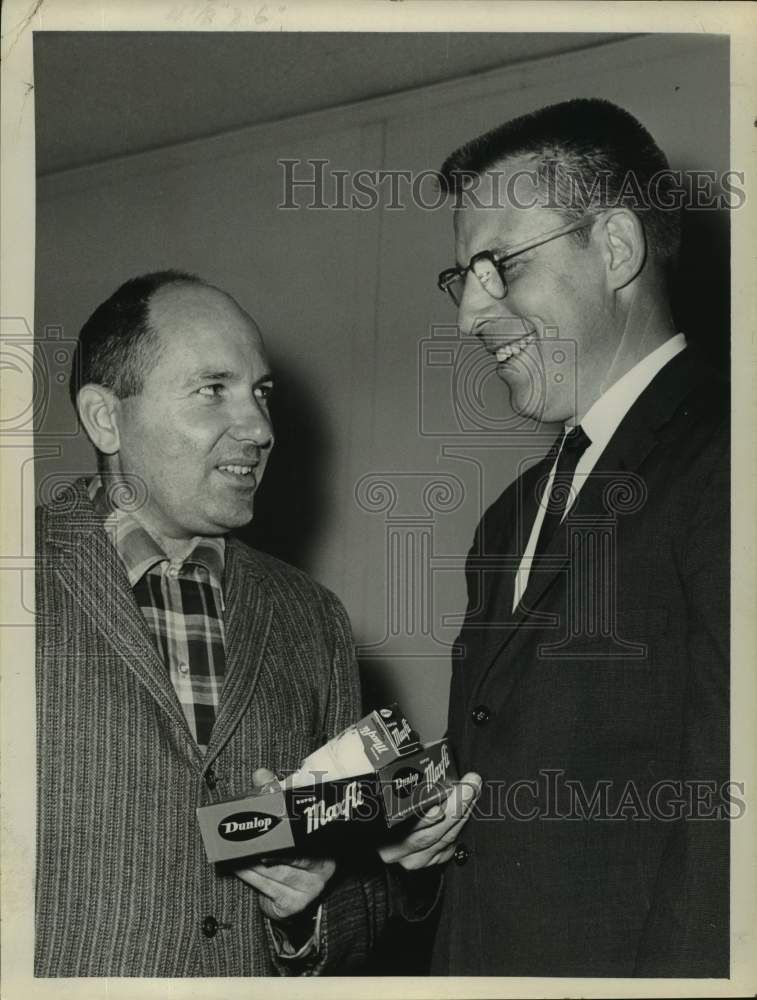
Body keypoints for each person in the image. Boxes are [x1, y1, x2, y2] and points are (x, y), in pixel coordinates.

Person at [387, 98, 730, 977]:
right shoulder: (509, 516)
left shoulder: (729, 454)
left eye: (498, 267)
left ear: (614, 248)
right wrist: (421, 842)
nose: (469, 316)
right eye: (462, 278)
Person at [34, 271, 455, 977]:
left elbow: (365, 899)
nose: (260, 429)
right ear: (105, 418)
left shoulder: (312, 617)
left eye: (261, 392)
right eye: (212, 389)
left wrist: (308, 910)